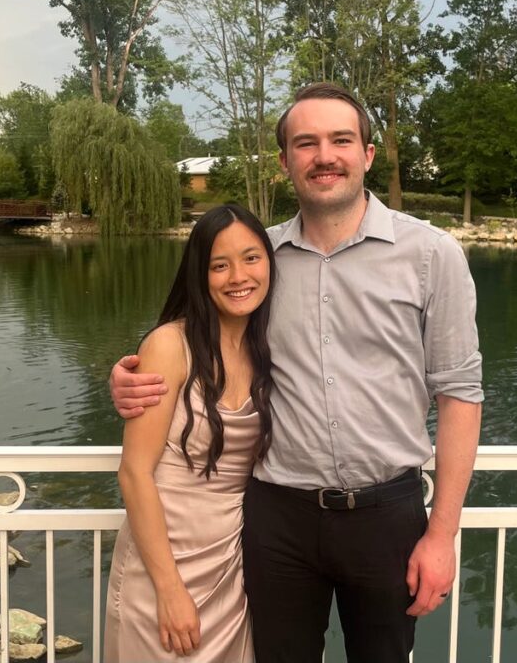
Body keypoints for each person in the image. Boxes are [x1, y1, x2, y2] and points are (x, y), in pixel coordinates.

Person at [111, 83, 483, 663]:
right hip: (277, 519)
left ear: (368, 153)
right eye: (306, 143)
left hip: (386, 515)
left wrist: (441, 534)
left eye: (341, 140)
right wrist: (130, 376)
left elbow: (460, 393)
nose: (324, 156)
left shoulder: (432, 255)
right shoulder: (260, 260)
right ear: (285, 161)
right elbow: (197, 337)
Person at [105, 204, 276, 663]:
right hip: (161, 565)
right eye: (219, 265)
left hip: (229, 568)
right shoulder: (169, 345)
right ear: (199, 274)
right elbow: (134, 473)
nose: (238, 277)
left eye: (251, 258)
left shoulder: (268, 347)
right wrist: (168, 589)